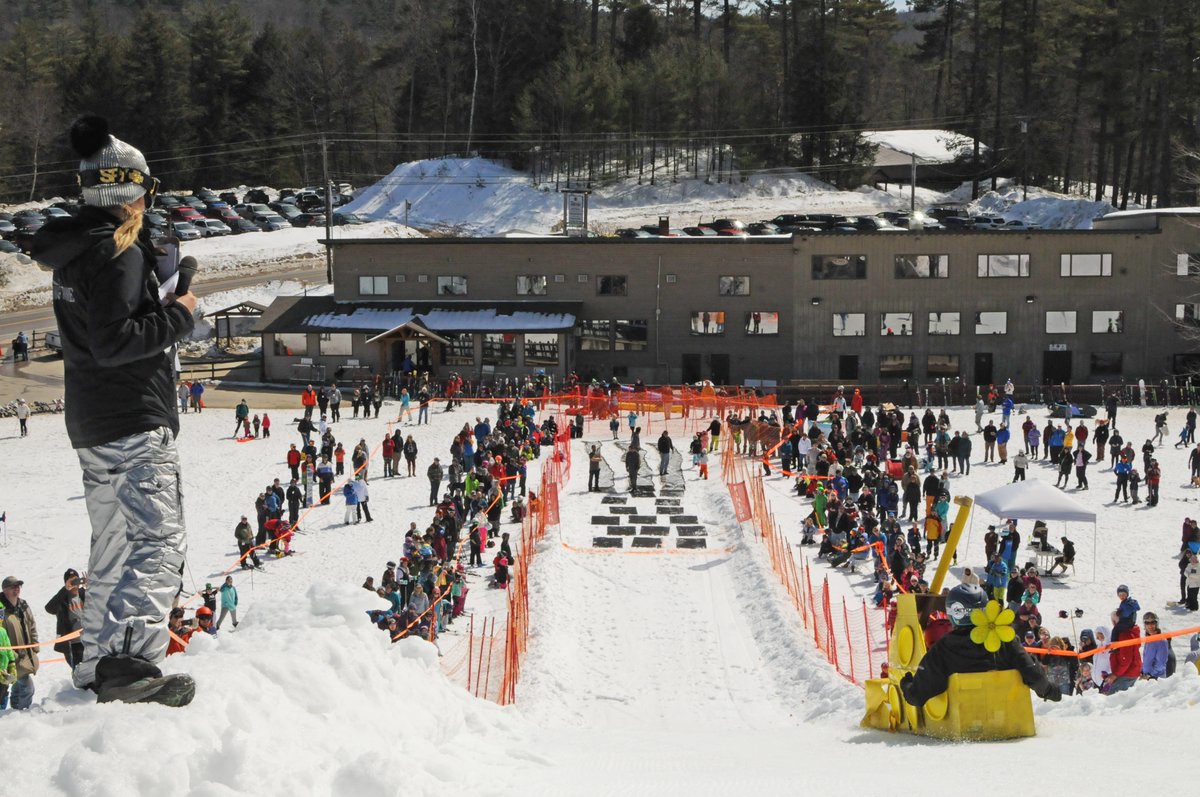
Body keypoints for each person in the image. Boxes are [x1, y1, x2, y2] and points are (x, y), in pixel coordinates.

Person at [31, 116, 196, 707]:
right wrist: (181, 312)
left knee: (113, 543)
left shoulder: (77, 251)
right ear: (132, 191)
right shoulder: (119, 254)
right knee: (157, 541)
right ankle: (128, 664)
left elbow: (102, 329)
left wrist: (164, 293)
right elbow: (115, 341)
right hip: (132, 417)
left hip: (93, 419)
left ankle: (98, 661)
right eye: (147, 192)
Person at [900, 584, 1061, 707]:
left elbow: (918, 695)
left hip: (963, 718)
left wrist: (906, 685)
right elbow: (1030, 670)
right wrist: (1049, 690)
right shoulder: (1004, 640)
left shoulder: (944, 648)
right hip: (1005, 713)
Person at [1, 576, 39, 710]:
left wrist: (35, 644)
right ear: (5, 590)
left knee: (18, 684)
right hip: (9, 657)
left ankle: (15, 711)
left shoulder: (23, 605)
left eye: (18, 586)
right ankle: (22, 713)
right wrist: (12, 655)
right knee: (28, 687)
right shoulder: (1, 610)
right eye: (13, 587)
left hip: (26, 655)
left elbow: (32, 624)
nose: (17, 589)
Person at [44, 568, 87, 669]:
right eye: (71, 581)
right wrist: (65, 589)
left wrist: (91, 587)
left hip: (89, 641)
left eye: (76, 580)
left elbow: (99, 606)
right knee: (79, 671)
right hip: (72, 644)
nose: (74, 583)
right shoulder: (62, 599)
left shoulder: (85, 594)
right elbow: (49, 608)